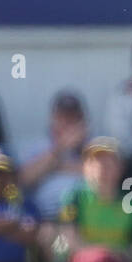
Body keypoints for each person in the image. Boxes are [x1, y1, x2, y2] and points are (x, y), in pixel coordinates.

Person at [55, 138, 132, 262]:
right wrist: (104, 253)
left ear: (120, 167)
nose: (100, 167)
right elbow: (70, 238)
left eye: (108, 162)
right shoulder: (74, 197)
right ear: (85, 167)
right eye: (94, 162)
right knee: (101, 261)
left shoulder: (130, 202)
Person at [18, 91, 88, 220]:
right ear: (53, 119)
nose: (68, 123)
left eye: (73, 118)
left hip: (84, 216)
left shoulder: (94, 145)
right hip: (45, 215)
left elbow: (105, 174)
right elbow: (22, 180)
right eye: (62, 117)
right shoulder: (37, 146)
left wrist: (54, 166)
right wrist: (60, 148)